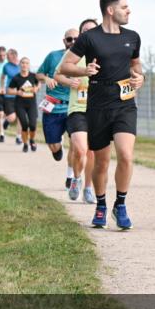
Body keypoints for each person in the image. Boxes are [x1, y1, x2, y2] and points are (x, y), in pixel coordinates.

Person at [61, 0, 144, 230]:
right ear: (110, 10)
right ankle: (100, 205)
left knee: (126, 156)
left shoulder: (133, 37)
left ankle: (120, 204)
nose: (128, 11)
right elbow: (66, 66)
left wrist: (140, 78)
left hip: (125, 104)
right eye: (124, 7)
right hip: (97, 105)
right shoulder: (89, 38)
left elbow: (136, 66)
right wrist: (83, 71)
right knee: (101, 162)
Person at [56, 18, 100, 202]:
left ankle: (88, 188)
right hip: (77, 108)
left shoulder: (105, 53)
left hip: (98, 109)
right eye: (85, 31)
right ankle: (76, 178)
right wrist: (69, 81)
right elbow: (57, 74)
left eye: (93, 30)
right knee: (81, 149)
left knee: (92, 153)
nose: (89, 34)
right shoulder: (74, 54)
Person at [37, 30, 77, 188]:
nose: (73, 41)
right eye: (69, 39)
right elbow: (39, 73)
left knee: (75, 143)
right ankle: (57, 146)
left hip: (73, 107)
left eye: (76, 39)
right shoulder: (53, 56)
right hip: (53, 107)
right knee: (54, 145)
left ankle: (70, 176)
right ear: (64, 41)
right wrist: (46, 78)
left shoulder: (84, 59)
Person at [7, 57, 40, 152]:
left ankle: (32, 140)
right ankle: (25, 144)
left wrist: (36, 89)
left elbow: (39, 84)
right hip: (20, 104)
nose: (24, 65)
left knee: (33, 125)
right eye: (22, 63)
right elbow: (8, 90)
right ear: (20, 65)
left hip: (31, 104)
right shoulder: (16, 77)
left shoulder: (33, 76)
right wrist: (17, 92)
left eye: (26, 63)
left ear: (29, 65)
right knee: (24, 125)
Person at [2, 48, 22, 144]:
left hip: (21, 95)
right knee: (12, 117)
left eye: (8, 56)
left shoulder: (22, 65)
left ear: (14, 56)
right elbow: (3, 77)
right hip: (9, 95)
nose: (6, 57)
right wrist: (2, 87)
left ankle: (18, 137)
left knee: (21, 117)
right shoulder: (6, 66)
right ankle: (6, 121)